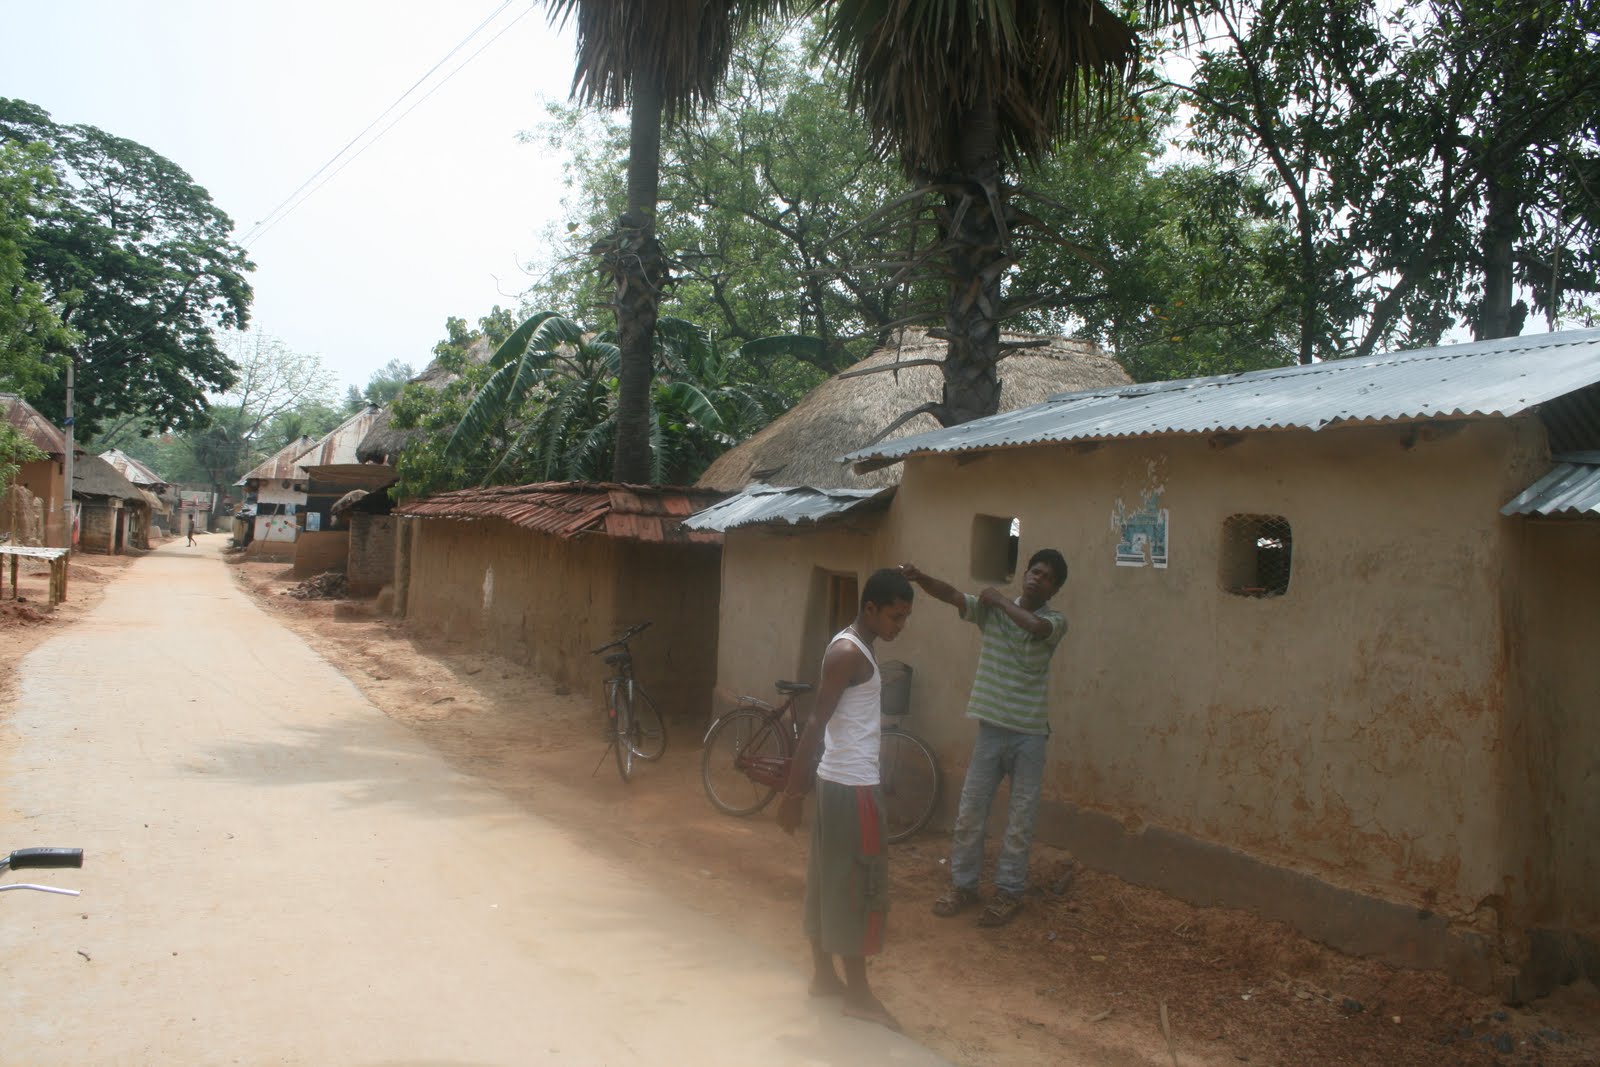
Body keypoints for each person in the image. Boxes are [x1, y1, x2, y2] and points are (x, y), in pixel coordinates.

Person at [776, 567, 914, 1031]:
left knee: (828, 877)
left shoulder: (856, 645)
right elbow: (815, 722)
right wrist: (792, 793)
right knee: (862, 885)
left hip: (839, 782)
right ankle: (858, 994)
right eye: (895, 616)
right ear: (870, 608)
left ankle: (823, 976)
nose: (900, 626)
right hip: (852, 787)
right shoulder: (848, 653)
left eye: (905, 619)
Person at [900, 549, 1068, 927]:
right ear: (1025, 572)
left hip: (1030, 736)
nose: (1037, 579)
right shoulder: (991, 611)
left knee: (1020, 822)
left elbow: (1035, 628)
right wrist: (921, 576)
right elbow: (952, 595)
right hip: (991, 731)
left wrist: (1001, 600)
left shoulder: (1055, 621)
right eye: (1034, 571)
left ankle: (1009, 893)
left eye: (1046, 578)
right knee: (970, 813)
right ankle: (964, 886)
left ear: (1054, 589)